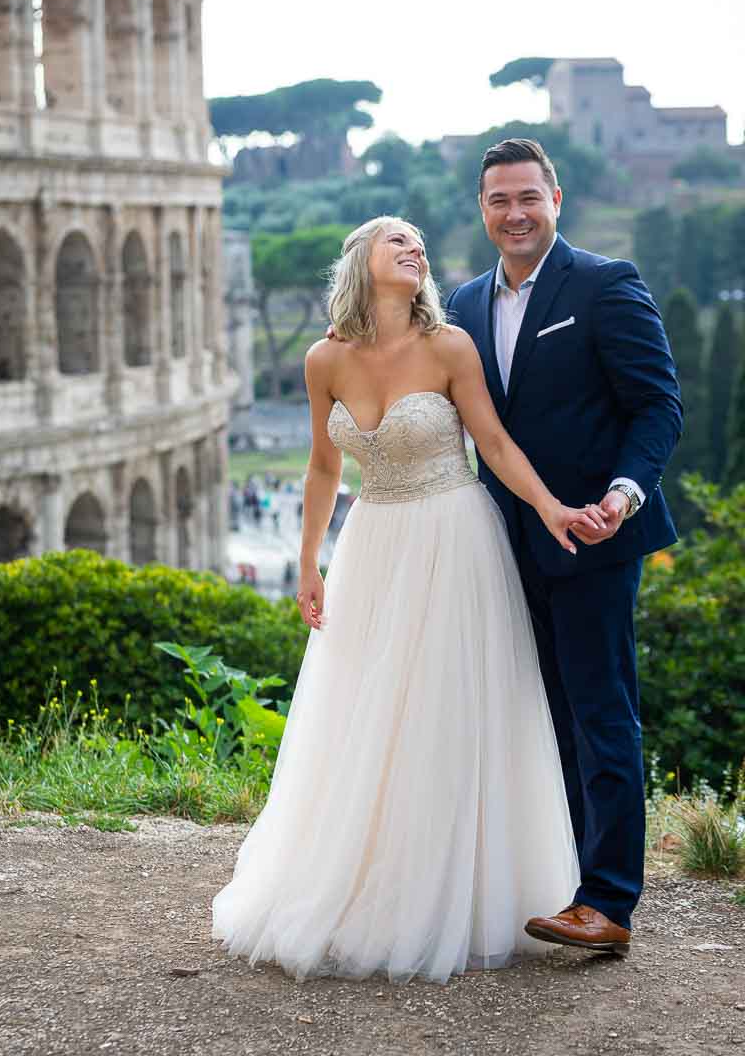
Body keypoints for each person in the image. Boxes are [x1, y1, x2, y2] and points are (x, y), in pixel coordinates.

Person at [212, 214, 606, 984]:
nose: (413, 246)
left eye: (419, 242)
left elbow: (492, 444)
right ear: (360, 259)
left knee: (444, 712)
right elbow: (324, 469)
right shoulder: (323, 357)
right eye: (396, 238)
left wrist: (553, 506)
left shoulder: (449, 346)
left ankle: (457, 894)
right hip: (372, 545)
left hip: (454, 538)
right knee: (368, 716)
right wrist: (307, 565)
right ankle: (370, 886)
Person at [446, 138, 682, 956]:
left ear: (557, 199)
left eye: (527, 198)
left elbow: (659, 408)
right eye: (498, 201)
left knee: (600, 713)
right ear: (482, 211)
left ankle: (609, 901)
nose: (514, 214)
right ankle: (567, 878)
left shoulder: (606, 284)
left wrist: (622, 495)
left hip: (593, 538)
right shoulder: (465, 304)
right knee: (542, 718)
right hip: (502, 548)